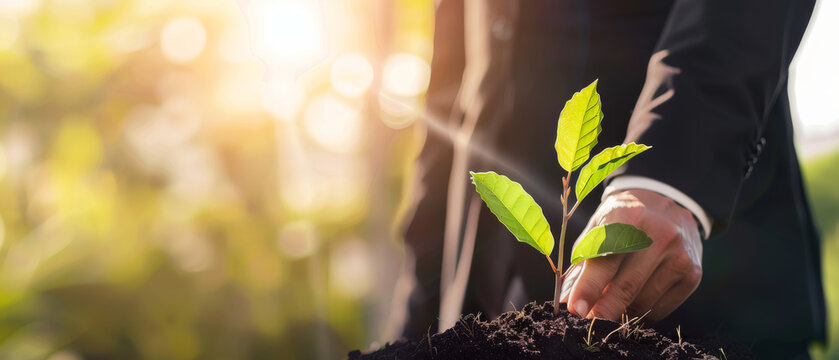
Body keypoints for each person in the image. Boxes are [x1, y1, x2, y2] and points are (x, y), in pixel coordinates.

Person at [397, 0, 825, 358]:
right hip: (481, 307)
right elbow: (445, 110)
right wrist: (420, 311)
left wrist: (671, 176)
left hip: (695, 298)